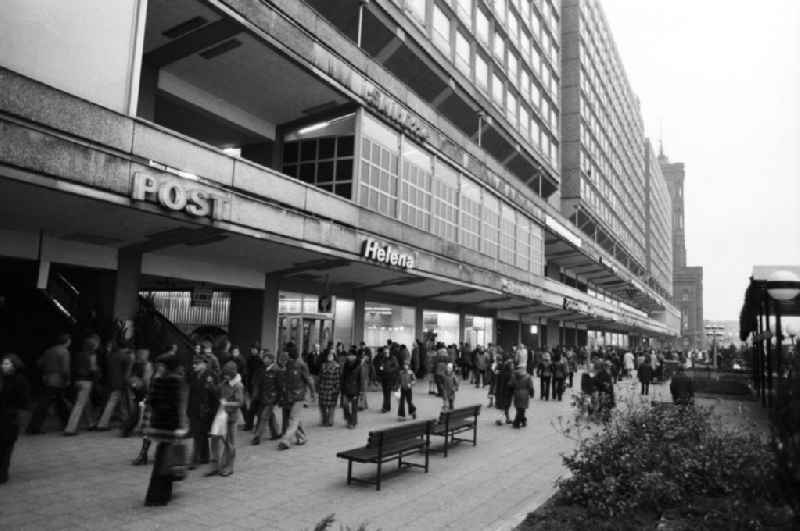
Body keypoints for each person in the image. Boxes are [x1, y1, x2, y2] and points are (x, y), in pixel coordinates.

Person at [144, 352, 187, 506]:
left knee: (162, 458)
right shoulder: (176, 380)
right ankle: (159, 496)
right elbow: (178, 405)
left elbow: (151, 401)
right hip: (171, 425)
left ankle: (160, 494)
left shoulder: (157, 379)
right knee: (165, 461)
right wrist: (181, 426)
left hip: (158, 425)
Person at [27, 333, 71, 434]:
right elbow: (65, 369)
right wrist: (67, 380)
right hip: (58, 380)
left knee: (59, 402)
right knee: (45, 404)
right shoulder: (64, 351)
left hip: (47, 378)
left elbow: (39, 363)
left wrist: (47, 370)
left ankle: (67, 423)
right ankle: (34, 427)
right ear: (67, 341)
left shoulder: (49, 351)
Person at [207, 361, 242, 477]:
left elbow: (240, 402)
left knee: (229, 443)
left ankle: (230, 466)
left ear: (232, 373)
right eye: (224, 374)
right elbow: (218, 392)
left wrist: (226, 403)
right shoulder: (224, 382)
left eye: (227, 374)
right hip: (221, 416)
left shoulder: (238, 386)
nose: (225, 376)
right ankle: (216, 465)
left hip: (231, 418)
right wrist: (211, 385)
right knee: (215, 438)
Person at [277, 350, 315, 450]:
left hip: (298, 396)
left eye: (286, 358)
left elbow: (309, 380)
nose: (284, 360)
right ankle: (302, 437)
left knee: (293, 419)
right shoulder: (284, 368)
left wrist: (312, 393)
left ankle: (286, 440)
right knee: (295, 418)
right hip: (288, 396)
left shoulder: (301, 366)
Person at [1, 354, 29, 484]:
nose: (3, 366)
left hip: (10, 417)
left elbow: (23, 401)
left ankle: (3, 474)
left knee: (7, 445)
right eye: (3, 363)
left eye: (7, 364)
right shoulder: (2, 379)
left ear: (14, 365)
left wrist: (19, 416)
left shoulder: (20, 380)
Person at [93, 341, 134, 431]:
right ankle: (102, 424)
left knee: (116, 402)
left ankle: (123, 421)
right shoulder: (126, 357)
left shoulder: (110, 356)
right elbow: (127, 373)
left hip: (110, 382)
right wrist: (128, 383)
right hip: (121, 383)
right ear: (126, 348)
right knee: (115, 403)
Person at [64, 334, 99, 436]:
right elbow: (92, 369)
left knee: (86, 403)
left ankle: (91, 423)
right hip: (86, 381)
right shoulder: (92, 355)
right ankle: (70, 429)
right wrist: (97, 370)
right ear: (92, 346)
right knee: (79, 405)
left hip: (77, 381)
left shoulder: (79, 354)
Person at [187, 355, 217, 469]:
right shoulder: (194, 375)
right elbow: (191, 393)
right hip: (194, 409)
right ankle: (204, 456)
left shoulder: (210, 376)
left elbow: (214, 395)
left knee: (198, 434)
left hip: (205, 410)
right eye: (193, 363)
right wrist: (188, 409)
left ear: (204, 364)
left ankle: (195, 458)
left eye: (197, 363)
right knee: (200, 434)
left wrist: (213, 411)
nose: (194, 365)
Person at [251, 350, 282, 444]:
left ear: (271, 360)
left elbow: (279, 386)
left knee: (264, 416)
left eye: (266, 358)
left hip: (271, 398)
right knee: (269, 415)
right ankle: (275, 433)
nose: (264, 360)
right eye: (264, 358)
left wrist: (278, 398)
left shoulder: (277, 370)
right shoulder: (264, 369)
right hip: (263, 397)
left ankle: (257, 437)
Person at [122, 348, 153, 437]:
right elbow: (146, 379)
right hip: (143, 390)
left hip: (136, 390)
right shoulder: (146, 365)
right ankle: (138, 429)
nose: (147, 355)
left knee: (138, 409)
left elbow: (129, 377)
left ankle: (128, 428)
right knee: (142, 409)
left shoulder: (134, 364)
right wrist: (148, 390)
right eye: (146, 354)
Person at [242, 344, 264, 431]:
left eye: (255, 349)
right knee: (253, 406)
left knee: (254, 406)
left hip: (257, 386)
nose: (253, 350)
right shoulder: (249, 359)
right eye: (252, 349)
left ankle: (251, 425)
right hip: (251, 385)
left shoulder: (260, 360)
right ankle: (250, 424)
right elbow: (247, 372)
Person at [317, 350, 340, 427]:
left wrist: (336, 388)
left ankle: (329, 421)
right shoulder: (323, 365)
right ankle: (325, 420)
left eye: (331, 355)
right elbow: (320, 377)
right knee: (323, 406)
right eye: (329, 354)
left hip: (330, 389)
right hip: (324, 389)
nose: (330, 356)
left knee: (331, 406)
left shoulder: (336, 367)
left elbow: (337, 379)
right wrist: (318, 387)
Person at [340, 349, 362, 429]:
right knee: (345, 406)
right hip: (346, 388)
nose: (350, 357)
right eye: (349, 355)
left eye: (352, 355)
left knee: (354, 408)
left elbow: (361, 380)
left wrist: (359, 392)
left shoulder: (359, 366)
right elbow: (343, 377)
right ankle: (349, 419)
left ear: (355, 356)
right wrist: (342, 387)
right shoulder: (345, 365)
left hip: (355, 389)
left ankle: (353, 423)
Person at [375, 348, 399, 413]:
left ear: (389, 352)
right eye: (384, 352)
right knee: (385, 393)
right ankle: (387, 407)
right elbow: (381, 366)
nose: (385, 353)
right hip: (384, 378)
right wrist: (381, 368)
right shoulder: (383, 358)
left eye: (386, 352)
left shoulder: (393, 358)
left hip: (390, 378)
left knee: (387, 393)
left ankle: (385, 408)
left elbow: (396, 367)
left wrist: (390, 370)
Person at [493, 355, 515, 425]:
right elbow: (509, 384)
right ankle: (500, 420)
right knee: (504, 406)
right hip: (506, 392)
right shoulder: (508, 374)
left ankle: (507, 419)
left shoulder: (504, 372)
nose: (512, 366)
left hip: (505, 392)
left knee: (506, 406)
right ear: (509, 366)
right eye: (511, 365)